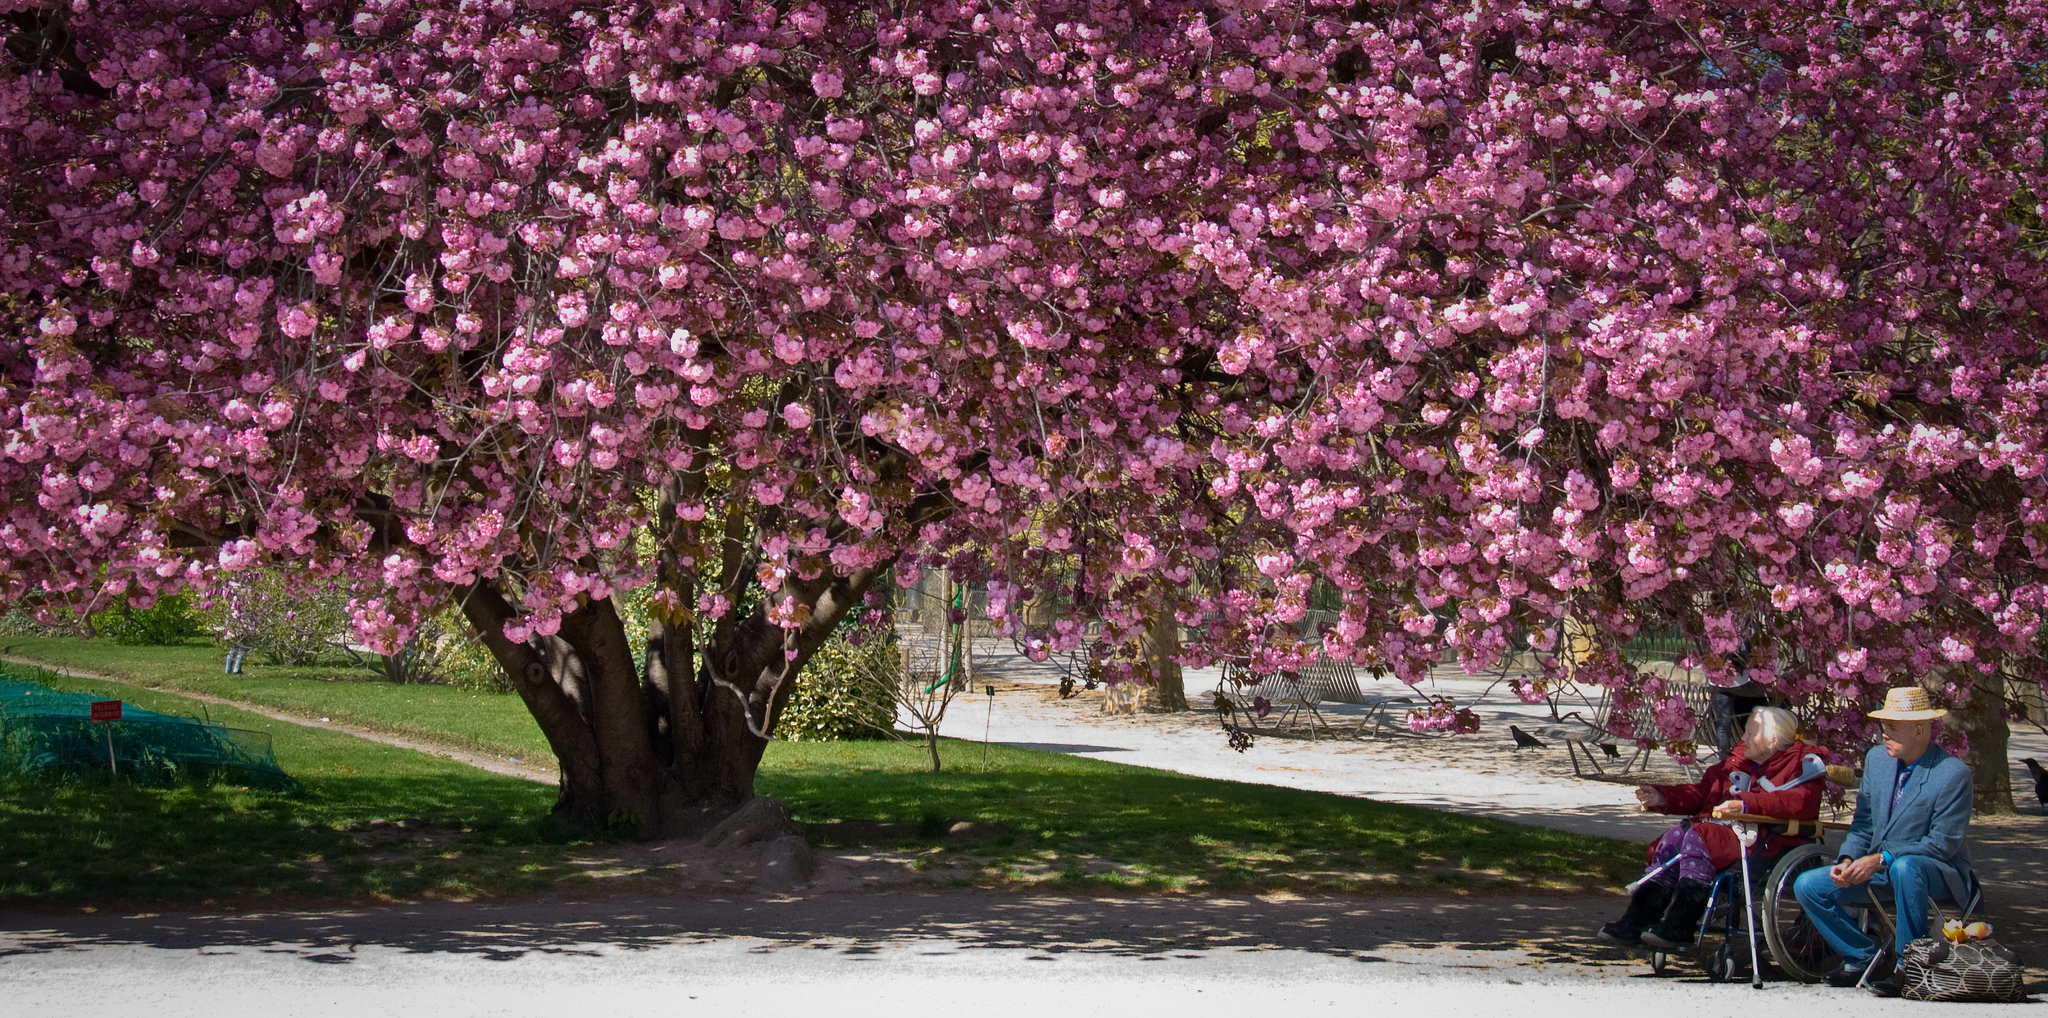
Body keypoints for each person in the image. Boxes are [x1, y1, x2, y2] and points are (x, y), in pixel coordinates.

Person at [1792, 686, 1974, 995]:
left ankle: (1909, 965)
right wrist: (1848, 859)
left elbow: (1943, 843)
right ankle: (1862, 957)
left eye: (1891, 727)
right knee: (1807, 885)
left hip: (1936, 873)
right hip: (1879, 869)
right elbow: (1864, 823)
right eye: (1882, 725)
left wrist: (1882, 859)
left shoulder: (1953, 773)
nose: (1883, 734)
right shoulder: (1877, 760)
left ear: (1919, 730)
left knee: (1905, 867)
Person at [1599, 706, 1825, 949]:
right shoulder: (1738, 761)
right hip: (1728, 835)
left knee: (1700, 835)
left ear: (1773, 740)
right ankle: (1638, 920)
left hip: (1766, 842)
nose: (1743, 738)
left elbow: (1799, 804)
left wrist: (1747, 805)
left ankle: (1679, 924)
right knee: (1677, 836)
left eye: (1751, 733)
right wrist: (1663, 796)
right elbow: (1706, 791)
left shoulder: (1801, 766)